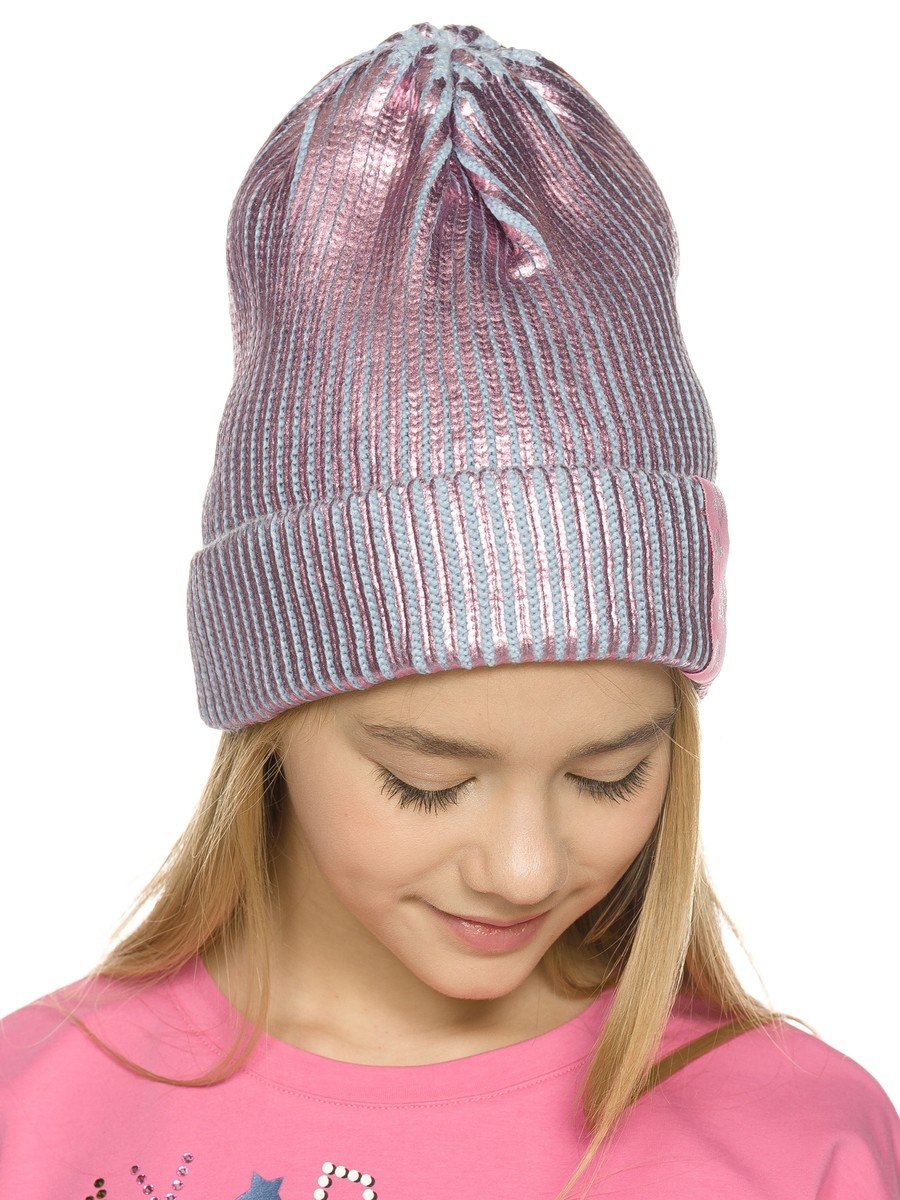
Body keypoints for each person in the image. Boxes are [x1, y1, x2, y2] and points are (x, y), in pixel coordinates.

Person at [1, 19, 897, 1200]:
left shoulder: (802, 1143)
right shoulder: (36, 1117)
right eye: (426, 781)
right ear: (269, 714)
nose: (524, 870)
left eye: (610, 776)